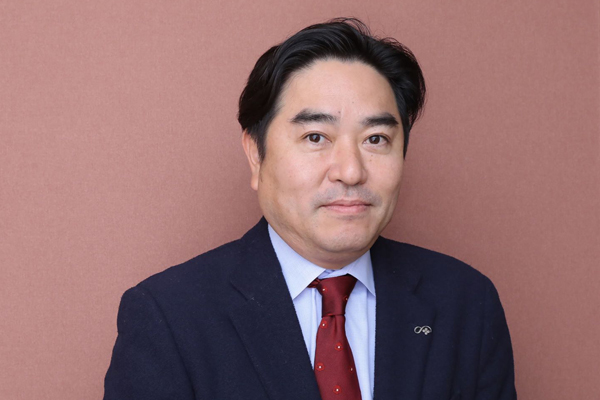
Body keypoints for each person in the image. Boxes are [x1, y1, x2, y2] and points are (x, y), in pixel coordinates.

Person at [104, 18, 516, 400]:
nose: (351, 171)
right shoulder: (169, 317)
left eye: (375, 139)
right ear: (256, 154)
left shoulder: (466, 304)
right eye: (316, 137)